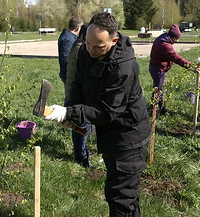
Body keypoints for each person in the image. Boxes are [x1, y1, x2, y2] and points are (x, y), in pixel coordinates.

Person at [45, 12, 151, 216]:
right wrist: (71, 112)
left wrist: (69, 112)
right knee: (123, 195)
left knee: (121, 197)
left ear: (114, 40)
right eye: (88, 44)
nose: (92, 50)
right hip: (111, 133)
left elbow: (107, 111)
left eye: (99, 47)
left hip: (128, 136)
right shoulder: (88, 50)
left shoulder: (124, 67)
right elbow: (78, 83)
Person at [149, 24, 198, 115]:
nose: (177, 41)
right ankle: (155, 110)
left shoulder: (162, 38)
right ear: (173, 37)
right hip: (159, 69)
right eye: (176, 39)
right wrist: (192, 67)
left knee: (159, 88)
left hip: (155, 67)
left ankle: (158, 107)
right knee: (158, 90)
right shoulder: (165, 45)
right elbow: (176, 58)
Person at [64, 23, 92, 168]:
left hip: (73, 91)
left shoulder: (76, 45)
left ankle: (81, 153)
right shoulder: (82, 49)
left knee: (79, 126)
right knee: (81, 127)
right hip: (78, 94)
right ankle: (82, 158)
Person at [57, 17, 84, 105]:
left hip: (67, 73)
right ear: (77, 28)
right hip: (68, 74)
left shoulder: (66, 36)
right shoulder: (69, 39)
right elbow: (66, 58)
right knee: (70, 98)